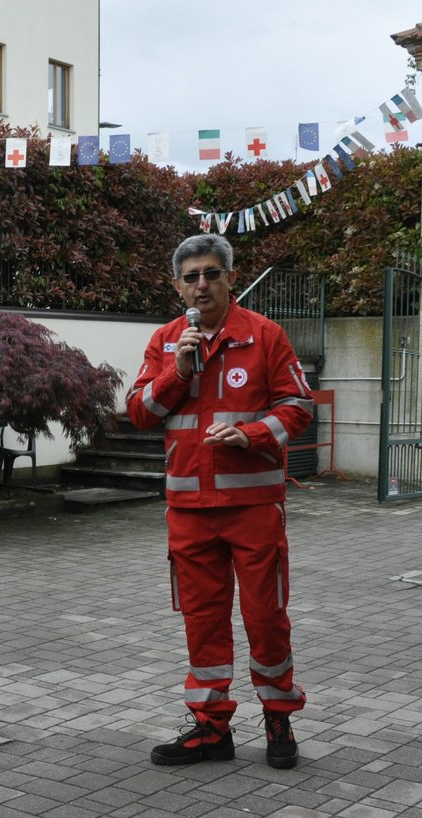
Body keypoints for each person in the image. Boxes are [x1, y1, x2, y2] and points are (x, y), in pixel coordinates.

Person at [127, 234, 314, 770]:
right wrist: (178, 370)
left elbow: (298, 404)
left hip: (253, 511)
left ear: (231, 277)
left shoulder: (265, 335)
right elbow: (140, 411)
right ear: (177, 285)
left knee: (266, 618)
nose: (202, 285)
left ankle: (278, 716)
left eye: (211, 273)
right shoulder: (167, 340)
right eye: (191, 277)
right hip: (189, 514)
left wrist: (254, 433)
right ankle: (212, 728)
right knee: (203, 622)